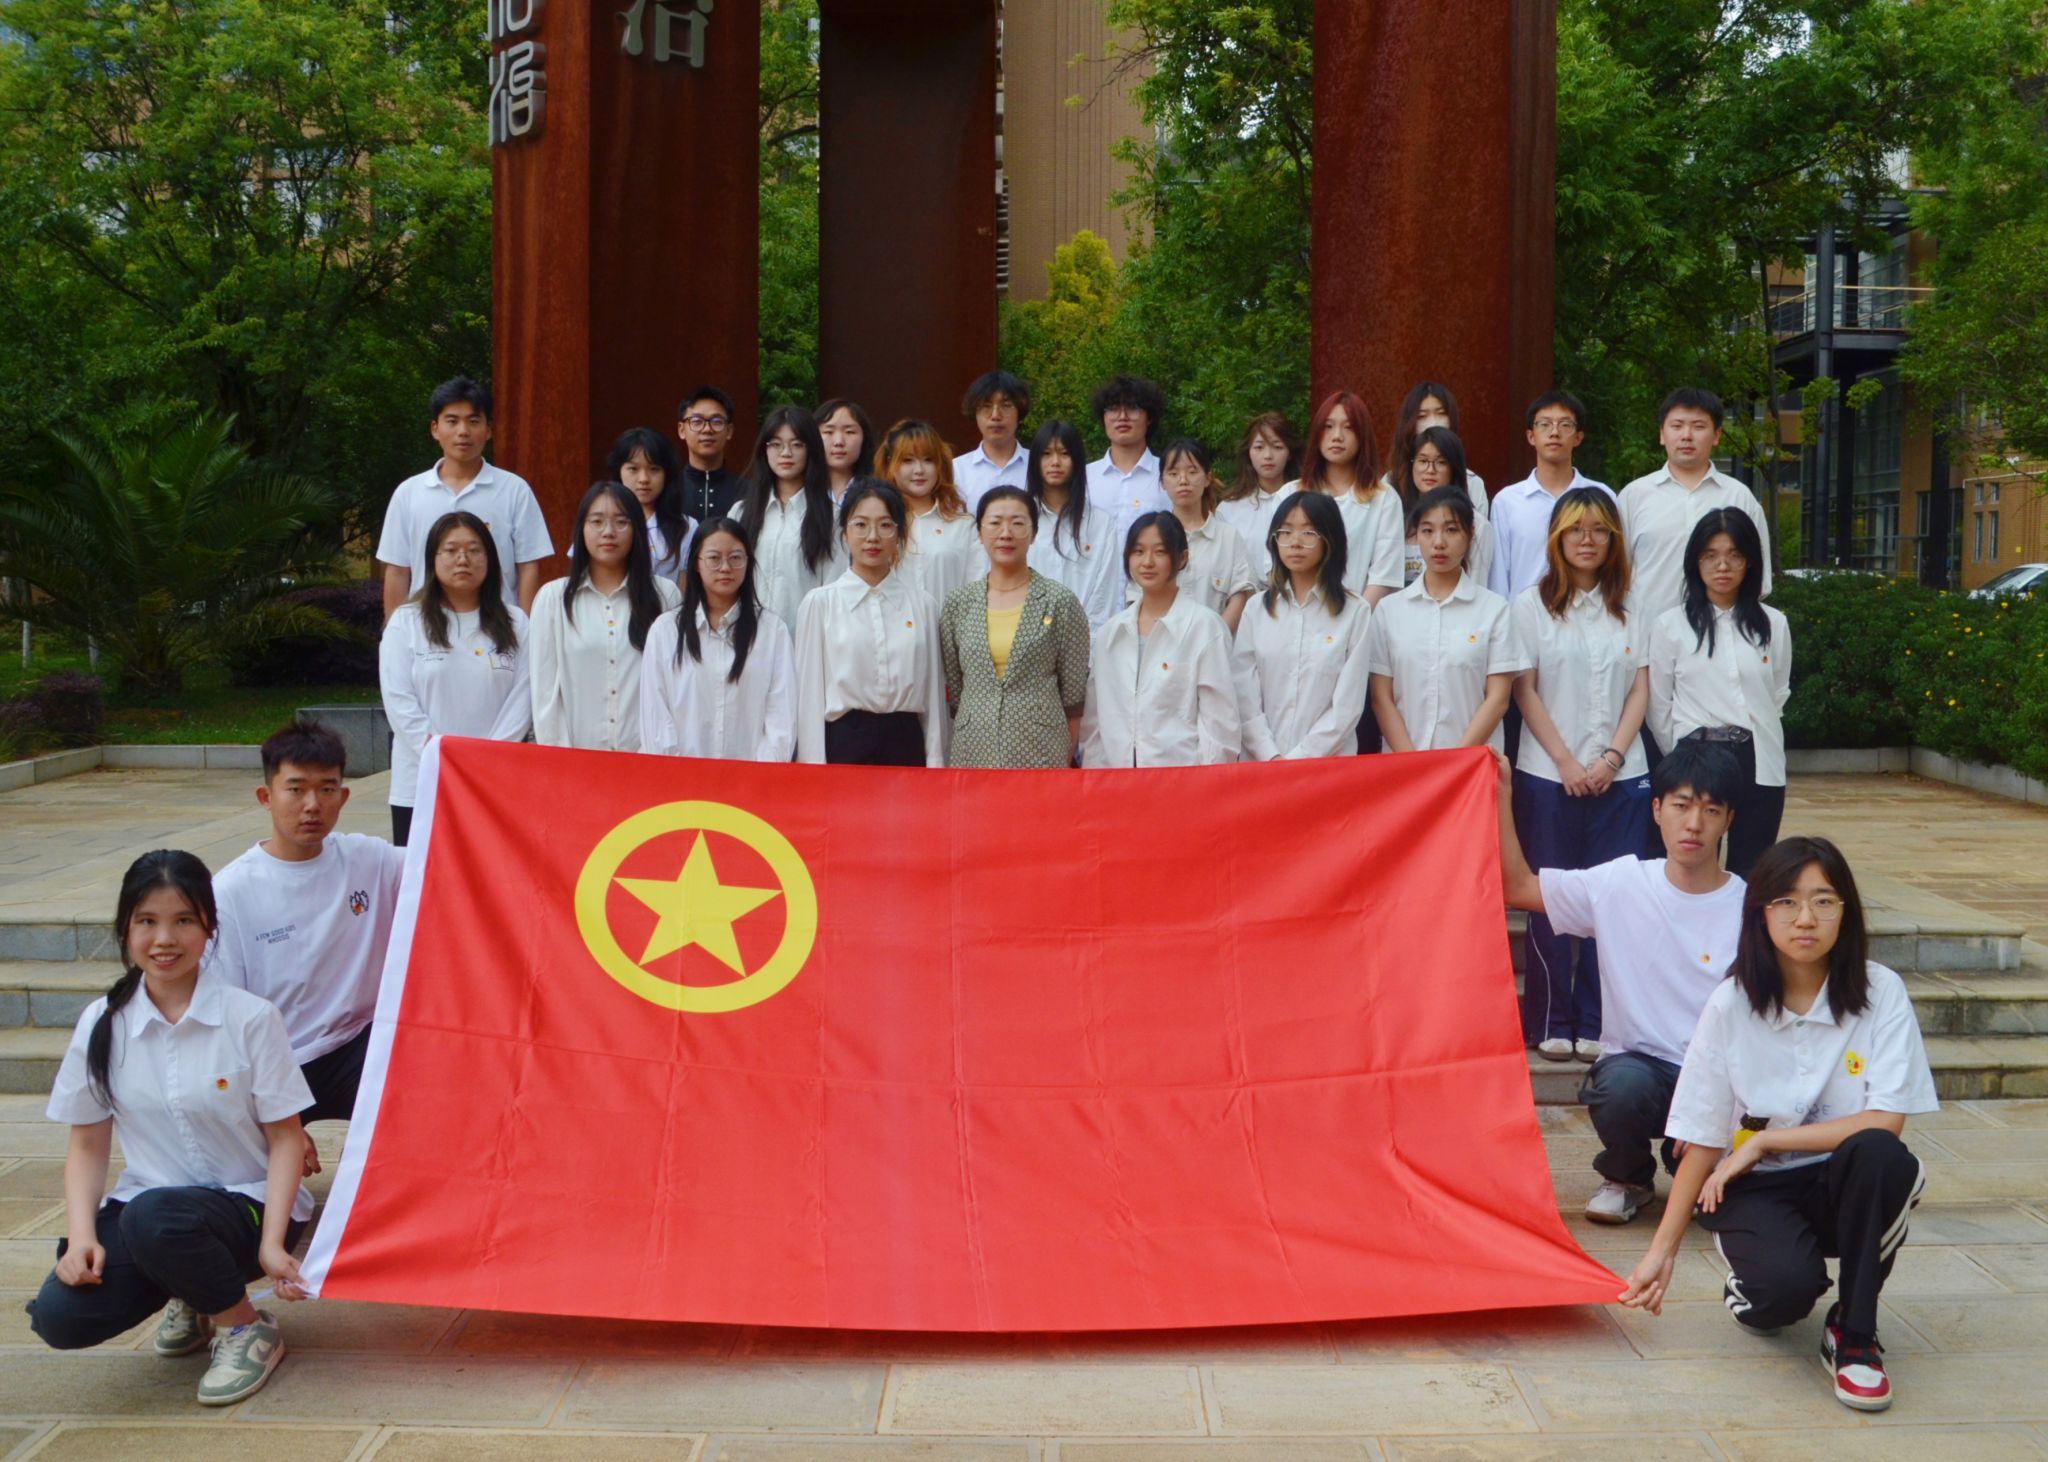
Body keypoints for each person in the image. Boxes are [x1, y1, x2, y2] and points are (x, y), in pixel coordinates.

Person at [1620, 837, 1936, 1413]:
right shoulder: (1731, 1005)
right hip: (1755, 1187)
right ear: (1760, 913)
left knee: (1883, 1157)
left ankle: (1855, 1335)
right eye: (1786, 902)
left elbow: (1886, 1120)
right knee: (1784, 1294)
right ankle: (1756, 1281)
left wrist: (1766, 1139)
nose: (1806, 918)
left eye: (1824, 901)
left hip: (1842, 1181)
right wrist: (1662, 1251)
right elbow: (1703, 1136)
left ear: (1846, 912)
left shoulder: (1881, 992)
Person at [28, 851, 313, 1406]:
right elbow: (86, 1145)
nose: (165, 939)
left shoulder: (250, 1018)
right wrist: (82, 1238)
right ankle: (192, 1288)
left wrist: (273, 1244)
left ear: (209, 928)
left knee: (156, 1217)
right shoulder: (101, 1023)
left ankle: (243, 1325)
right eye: (147, 921)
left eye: (183, 920)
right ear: (125, 929)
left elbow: (286, 1139)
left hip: (247, 1210)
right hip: (152, 1217)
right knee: (61, 1317)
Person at [1495, 739, 1749, 1225]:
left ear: (1728, 820)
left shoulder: (1750, 907)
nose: (1693, 824)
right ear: (1656, 810)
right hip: (1642, 1070)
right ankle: (1627, 1177)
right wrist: (1502, 795)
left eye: (1711, 810)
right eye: (1681, 806)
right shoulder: (1621, 883)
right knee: (1620, 1087)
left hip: (1720, 1079)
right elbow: (1518, 887)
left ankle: (1695, 1163)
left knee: (1725, 1207)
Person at [209, 718, 403, 1140]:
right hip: (277, 1062)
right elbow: (224, 1016)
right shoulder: (231, 892)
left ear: (343, 796)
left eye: (326, 789)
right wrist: (280, 1124)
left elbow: (452, 862)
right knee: (254, 1170)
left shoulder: (371, 861)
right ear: (266, 796)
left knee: (422, 1075)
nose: (312, 804)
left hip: (358, 1046)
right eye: (296, 789)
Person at [1509, 488, 1651, 1061]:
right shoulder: (1530, 606)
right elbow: (1524, 689)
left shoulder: (1632, 607)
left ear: (1613, 540)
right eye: (1574, 529)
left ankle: (1598, 1019)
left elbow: (1640, 688)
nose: (1586, 540)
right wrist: (1566, 761)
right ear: (1557, 538)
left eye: (1597, 530)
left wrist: (1612, 757)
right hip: (1547, 774)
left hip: (1623, 777)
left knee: (1612, 899)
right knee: (1549, 897)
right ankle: (1551, 1018)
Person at [1648, 508, 1791, 877]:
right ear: (1695, 561)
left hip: (1758, 759)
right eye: (1710, 555)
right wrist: (1682, 754)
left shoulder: (1773, 624)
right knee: (1693, 865)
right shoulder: (1670, 626)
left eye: (1734, 555)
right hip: (1697, 755)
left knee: (1753, 871)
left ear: (1750, 561)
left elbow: (1777, 693)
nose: (1722, 565)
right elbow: (1658, 705)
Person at [378, 511, 531, 845]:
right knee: (424, 875)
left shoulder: (517, 622)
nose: (463, 559)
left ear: (490, 559)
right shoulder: (406, 622)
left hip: (496, 782)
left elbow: (523, 699)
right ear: (432, 559)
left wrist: (484, 762)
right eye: (451, 550)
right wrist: (444, 758)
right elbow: (400, 704)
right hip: (421, 782)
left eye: (475, 550)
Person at [794, 480, 950, 766]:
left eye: (885, 525)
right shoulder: (820, 604)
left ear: (899, 534)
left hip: (906, 742)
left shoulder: (923, 605)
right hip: (844, 745)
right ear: (845, 533)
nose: (872, 537)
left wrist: (937, 765)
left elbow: (933, 697)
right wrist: (813, 772)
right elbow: (809, 699)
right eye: (861, 525)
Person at [939, 487, 1092, 768]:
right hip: (973, 751)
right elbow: (957, 690)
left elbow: (1073, 697)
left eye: (1018, 523)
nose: (1006, 533)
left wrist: (1063, 757)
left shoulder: (1059, 602)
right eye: (995, 523)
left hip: (1041, 753)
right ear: (980, 532)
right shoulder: (958, 605)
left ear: (1033, 534)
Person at [377, 376, 552, 618]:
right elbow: (397, 570)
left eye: (473, 421)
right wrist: (393, 632)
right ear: (435, 429)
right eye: (452, 421)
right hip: (425, 628)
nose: (463, 431)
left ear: (488, 430)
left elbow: (528, 567)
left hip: (496, 628)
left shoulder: (514, 490)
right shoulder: (408, 493)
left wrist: (524, 629)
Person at [1368, 487, 1526, 754]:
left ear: (1470, 534)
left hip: (1471, 764)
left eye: (1451, 530)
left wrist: (1453, 763)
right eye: (1427, 531)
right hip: (1404, 764)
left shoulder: (1494, 610)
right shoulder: (1389, 610)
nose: (1439, 542)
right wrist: (1414, 762)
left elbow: (1498, 699)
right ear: (1415, 535)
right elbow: (1381, 698)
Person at [529, 481, 683, 752]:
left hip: (647, 759)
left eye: (621, 522)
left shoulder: (664, 595)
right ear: (581, 529)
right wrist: (561, 760)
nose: (608, 532)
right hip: (576, 761)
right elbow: (545, 696)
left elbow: (675, 687)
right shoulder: (553, 599)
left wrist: (656, 755)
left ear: (637, 530)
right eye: (597, 522)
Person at [1079, 512, 1240, 766]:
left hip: (1181, 779)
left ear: (1182, 558)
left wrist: (1207, 782)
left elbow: (1220, 726)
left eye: (1160, 552)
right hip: (1117, 780)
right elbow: (1094, 724)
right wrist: (1098, 777)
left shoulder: (1205, 627)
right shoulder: (1110, 633)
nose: (1147, 562)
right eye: (1138, 552)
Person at [1232, 491, 1373, 760]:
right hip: (1262, 764)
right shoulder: (1256, 609)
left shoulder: (1355, 612)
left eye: (1308, 532)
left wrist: (1298, 760)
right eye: (1285, 532)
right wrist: (1271, 756)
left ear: (1330, 539)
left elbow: (1347, 707)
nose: (1295, 542)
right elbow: (1243, 694)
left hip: (1326, 767)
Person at [641, 518, 797, 761]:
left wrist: (759, 776)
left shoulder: (772, 631)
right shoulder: (665, 631)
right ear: (696, 563)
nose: (725, 567)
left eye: (735, 558)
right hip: (681, 778)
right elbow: (656, 717)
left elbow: (781, 719)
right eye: (714, 558)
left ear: (748, 562)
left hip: (752, 779)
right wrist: (677, 774)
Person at [1619, 387, 1775, 624]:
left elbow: (1758, 580)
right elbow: (1616, 577)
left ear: (1716, 435)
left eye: (1698, 426)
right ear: (1662, 434)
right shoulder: (1634, 496)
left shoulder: (1740, 497)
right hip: (1647, 636)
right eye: (1677, 426)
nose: (1686, 435)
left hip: (1722, 637)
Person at [1489, 391, 1612, 602]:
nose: (1554, 432)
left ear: (1578, 437)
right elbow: (1498, 577)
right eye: (1544, 424)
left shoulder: (1602, 496)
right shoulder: (1507, 501)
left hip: (1588, 613)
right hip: (1524, 617)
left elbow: (1614, 563)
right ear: (1531, 436)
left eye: (1565, 425)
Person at [730, 404, 840, 632]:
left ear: (811, 449)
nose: (786, 453)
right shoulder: (741, 513)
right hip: (746, 637)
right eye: (776, 444)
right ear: (764, 449)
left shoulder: (832, 516)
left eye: (797, 444)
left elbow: (835, 588)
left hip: (804, 638)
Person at [1295, 390, 1403, 606]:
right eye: (1328, 426)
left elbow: (1384, 576)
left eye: (1349, 427)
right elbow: (1275, 567)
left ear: (1363, 435)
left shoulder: (1384, 499)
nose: (1337, 436)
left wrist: (1353, 620)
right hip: (1298, 616)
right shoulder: (1291, 494)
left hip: (1361, 618)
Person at [1025, 419, 1122, 632]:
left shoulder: (1099, 523)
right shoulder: (1020, 520)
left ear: (1076, 460)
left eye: (1064, 454)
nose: (1055, 462)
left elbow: (1105, 594)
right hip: (1027, 639)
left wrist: (1083, 643)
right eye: (1046, 454)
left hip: (1084, 639)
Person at [1152, 438, 1256, 631]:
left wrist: (1213, 639)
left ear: (1207, 478)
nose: (1183, 480)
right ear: (1162, 483)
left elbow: (1240, 595)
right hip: (1162, 643)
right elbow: (1138, 597)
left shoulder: (1228, 537)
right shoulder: (1152, 536)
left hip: (1217, 643)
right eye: (1173, 473)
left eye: (1192, 472)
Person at [879, 418, 985, 608]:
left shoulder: (963, 525)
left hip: (949, 625)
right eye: (907, 460)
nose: (919, 470)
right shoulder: (878, 524)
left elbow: (978, 589)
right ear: (890, 465)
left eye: (928, 460)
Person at [1398, 425, 1494, 588]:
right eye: (1423, 461)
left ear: (1453, 468)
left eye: (1441, 462)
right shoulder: (1397, 518)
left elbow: (1477, 584)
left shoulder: (1477, 525)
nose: (1430, 470)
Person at [1216, 410, 1303, 579]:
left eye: (1277, 447)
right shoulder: (1228, 509)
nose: (1268, 456)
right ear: (1248, 452)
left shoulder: (1306, 500)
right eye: (1259, 447)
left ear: (1290, 453)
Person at [1385, 381, 1490, 517]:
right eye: (1422, 416)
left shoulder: (1473, 484)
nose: (1433, 422)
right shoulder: (1391, 482)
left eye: (1441, 413)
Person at [1086, 374, 1169, 540]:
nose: (1122, 417)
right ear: (1103, 417)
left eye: (1132, 408)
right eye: (1113, 408)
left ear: (1149, 417)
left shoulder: (1168, 475)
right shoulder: (1084, 477)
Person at [607, 426, 695, 580]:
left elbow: (684, 588)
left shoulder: (686, 527)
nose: (643, 479)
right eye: (633, 469)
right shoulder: (601, 521)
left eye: (654, 469)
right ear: (619, 472)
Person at [952, 370, 1032, 509]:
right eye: (986, 406)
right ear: (975, 413)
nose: (995, 416)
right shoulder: (956, 471)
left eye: (1006, 406)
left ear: (1020, 413)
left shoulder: (1038, 466)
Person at [676, 385, 744, 523]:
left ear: (729, 431)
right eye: (697, 422)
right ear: (681, 430)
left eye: (717, 422)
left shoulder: (748, 491)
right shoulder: (668, 488)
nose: (707, 429)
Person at [816, 397, 876, 504]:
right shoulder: (801, 492)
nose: (839, 442)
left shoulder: (877, 493)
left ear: (864, 438)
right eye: (828, 432)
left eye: (849, 432)